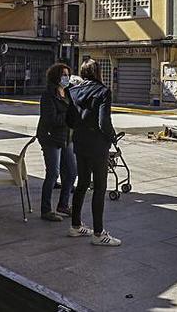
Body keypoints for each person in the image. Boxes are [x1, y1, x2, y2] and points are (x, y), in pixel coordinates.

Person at [67, 59, 121, 246]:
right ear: (98, 73)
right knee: (99, 187)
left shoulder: (73, 91)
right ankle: (98, 233)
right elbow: (103, 122)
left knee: (81, 184)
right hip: (98, 145)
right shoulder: (103, 91)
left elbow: (69, 120)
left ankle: (75, 225)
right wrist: (112, 137)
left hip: (80, 143)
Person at [37, 63, 78, 222]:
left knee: (72, 172)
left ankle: (63, 204)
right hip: (51, 138)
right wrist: (69, 116)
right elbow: (50, 119)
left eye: (68, 74)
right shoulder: (48, 95)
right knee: (53, 173)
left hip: (67, 137)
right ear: (56, 77)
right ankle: (46, 210)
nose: (66, 78)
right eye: (63, 75)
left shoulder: (68, 92)